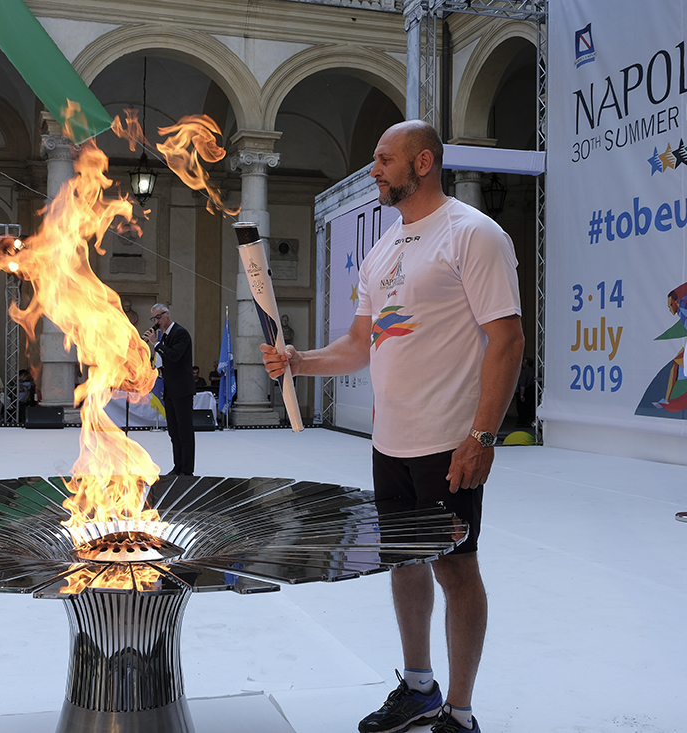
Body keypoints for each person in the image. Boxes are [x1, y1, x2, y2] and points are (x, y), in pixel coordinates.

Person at [261, 120, 523, 733]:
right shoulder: (382, 251)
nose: (374, 170)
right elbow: (358, 345)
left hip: (448, 443)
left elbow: (506, 340)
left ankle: (459, 713)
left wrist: (482, 435)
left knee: (456, 568)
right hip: (390, 445)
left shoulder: (472, 235)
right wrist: (300, 362)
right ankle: (418, 687)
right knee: (403, 562)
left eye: (384, 159)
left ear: (423, 162)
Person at [142, 304, 196, 475]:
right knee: (174, 431)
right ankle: (178, 466)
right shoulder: (164, 336)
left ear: (167, 315)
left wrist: (155, 343)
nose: (156, 322)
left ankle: (187, 470)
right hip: (170, 389)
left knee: (185, 431)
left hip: (182, 389)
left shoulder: (181, 333)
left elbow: (174, 356)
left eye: (158, 317)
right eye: (154, 319)